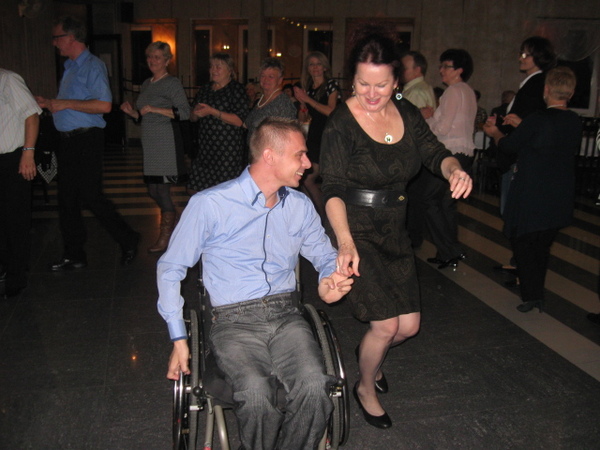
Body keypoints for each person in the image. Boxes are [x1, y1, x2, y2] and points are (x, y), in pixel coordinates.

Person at [157, 117, 353, 449]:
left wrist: (329, 279)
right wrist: (179, 337)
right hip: (233, 321)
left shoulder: (300, 206)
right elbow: (170, 267)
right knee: (256, 393)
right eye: (300, 155)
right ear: (269, 156)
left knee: (315, 387)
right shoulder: (211, 204)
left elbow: (323, 255)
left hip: (286, 316)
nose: (308, 164)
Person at [320, 30, 472, 429]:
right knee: (386, 325)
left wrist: (454, 169)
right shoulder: (341, 123)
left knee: (408, 327)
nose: (372, 94)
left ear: (396, 81)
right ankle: (364, 386)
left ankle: (369, 353)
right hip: (356, 229)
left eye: (382, 85)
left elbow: (434, 152)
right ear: (352, 79)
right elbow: (331, 188)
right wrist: (345, 242)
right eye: (363, 84)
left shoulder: (406, 111)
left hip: (394, 229)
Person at [36, 16, 140, 270]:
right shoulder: (70, 67)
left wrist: (64, 103)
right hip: (68, 141)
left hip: (86, 139)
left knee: (91, 196)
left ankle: (128, 238)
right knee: (67, 199)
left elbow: (104, 105)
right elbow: (71, 105)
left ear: (71, 38)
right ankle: (74, 254)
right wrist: (50, 104)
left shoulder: (92, 65)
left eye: (57, 38)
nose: (54, 43)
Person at [483, 67, 581, 313]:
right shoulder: (573, 120)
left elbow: (509, 146)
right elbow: (546, 139)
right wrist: (523, 125)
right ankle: (535, 294)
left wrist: (495, 133)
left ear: (546, 90)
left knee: (524, 243)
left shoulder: (538, 119)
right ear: (570, 93)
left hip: (532, 192)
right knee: (542, 246)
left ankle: (532, 295)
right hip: (559, 193)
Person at [490, 36, 556, 275]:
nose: (521, 58)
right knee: (512, 213)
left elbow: (531, 122)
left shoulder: (537, 83)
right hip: (517, 153)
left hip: (519, 157)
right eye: (521, 53)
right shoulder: (532, 82)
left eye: (526, 54)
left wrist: (503, 130)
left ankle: (523, 265)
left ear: (539, 56)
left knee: (515, 214)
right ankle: (519, 261)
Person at [120, 41, 190, 253]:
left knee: (161, 189)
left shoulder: (172, 83)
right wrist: (132, 113)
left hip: (166, 141)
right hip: (150, 143)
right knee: (152, 189)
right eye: (150, 56)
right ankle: (177, 223)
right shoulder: (146, 84)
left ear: (167, 61)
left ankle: (166, 236)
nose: (152, 60)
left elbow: (185, 112)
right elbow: (142, 116)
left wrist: (156, 109)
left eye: (157, 57)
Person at [421, 49, 477, 269]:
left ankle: (449, 250)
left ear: (459, 70)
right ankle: (450, 251)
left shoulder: (453, 91)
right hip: (464, 153)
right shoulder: (468, 91)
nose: (441, 70)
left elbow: (442, 128)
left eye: (446, 66)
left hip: (451, 154)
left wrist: (428, 118)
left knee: (430, 201)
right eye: (441, 65)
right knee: (446, 204)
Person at [0, 68, 42, 298]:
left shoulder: (8, 80)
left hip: (12, 159)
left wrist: (28, 153)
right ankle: (6, 266)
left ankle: (16, 277)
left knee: (15, 220)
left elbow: (32, 115)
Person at [187, 53, 248, 194]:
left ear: (230, 70)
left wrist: (212, 111)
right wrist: (195, 113)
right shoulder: (205, 89)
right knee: (194, 189)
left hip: (227, 150)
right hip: (205, 149)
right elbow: (192, 118)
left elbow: (240, 121)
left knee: (224, 192)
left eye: (218, 67)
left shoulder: (236, 89)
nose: (213, 70)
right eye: (212, 66)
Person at [293, 51, 341, 218]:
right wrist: (302, 104)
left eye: (318, 64)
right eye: (311, 64)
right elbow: (303, 118)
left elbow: (331, 111)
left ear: (325, 67)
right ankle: (315, 217)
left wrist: (308, 100)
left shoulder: (331, 85)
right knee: (303, 180)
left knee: (308, 179)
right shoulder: (309, 89)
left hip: (328, 136)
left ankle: (323, 217)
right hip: (313, 136)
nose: (315, 67)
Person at [401, 51, 436, 248]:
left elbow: (407, 126)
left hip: (412, 152)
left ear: (418, 70)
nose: (402, 71)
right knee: (415, 199)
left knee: (412, 199)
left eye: (405, 68)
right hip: (417, 152)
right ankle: (414, 238)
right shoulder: (420, 88)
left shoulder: (416, 91)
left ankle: (412, 240)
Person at [244, 58, 297, 139]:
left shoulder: (283, 103)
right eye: (263, 76)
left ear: (280, 80)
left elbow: (287, 136)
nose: (266, 79)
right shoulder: (261, 99)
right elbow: (247, 124)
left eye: (271, 77)